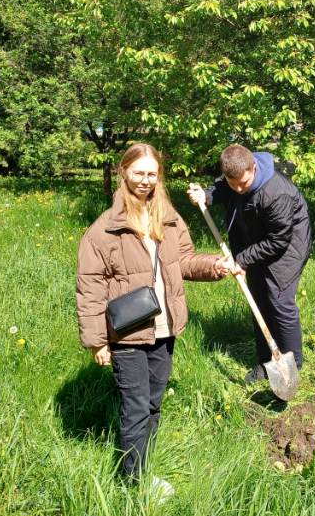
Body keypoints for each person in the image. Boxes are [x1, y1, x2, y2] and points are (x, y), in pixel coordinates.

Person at [76, 143, 234, 491]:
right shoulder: (104, 229)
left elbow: (186, 261)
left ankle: (142, 469)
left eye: (152, 174)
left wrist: (215, 265)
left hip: (165, 329)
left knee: (153, 404)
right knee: (135, 408)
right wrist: (97, 341)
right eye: (139, 173)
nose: (145, 181)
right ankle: (132, 484)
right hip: (128, 334)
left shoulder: (169, 217)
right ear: (124, 173)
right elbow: (90, 287)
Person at [187, 144, 311, 384]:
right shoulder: (234, 179)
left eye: (244, 183)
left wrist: (241, 259)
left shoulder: (276, 193)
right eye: (234, 183)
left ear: (253, 167)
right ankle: (267, 361)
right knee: (258, 298)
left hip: (287, 246)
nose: (240, 188)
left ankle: (292, 364)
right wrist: (207, 195)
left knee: (279, 300)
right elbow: (223, 188)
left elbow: (278, 240)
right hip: (254, 241)